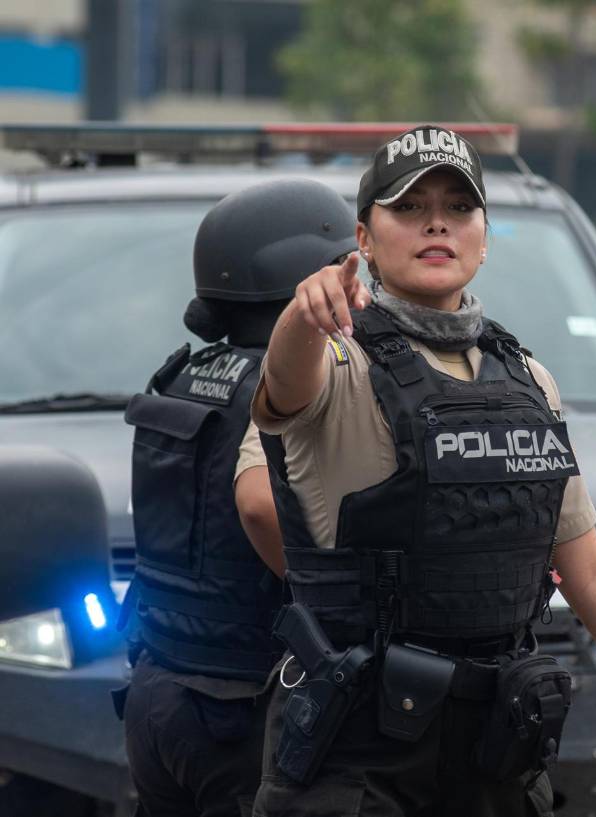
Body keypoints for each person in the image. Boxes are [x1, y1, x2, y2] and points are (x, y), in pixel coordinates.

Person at [249, 125, 596, 817]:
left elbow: (592, 573)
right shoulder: (338, 359)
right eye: (409, 207)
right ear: (363, 238)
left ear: (483, 238)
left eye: (458, 206)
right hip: (356, 757)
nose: (436, 223)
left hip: (497, 754)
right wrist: (303, 314)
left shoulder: (527, 379)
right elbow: (286, 383)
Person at [119, 178, 358, 816]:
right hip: (242, 701)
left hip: (157, 686)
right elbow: (259, 508)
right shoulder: (285, 392)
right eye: (342, 267)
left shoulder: (182, 375)